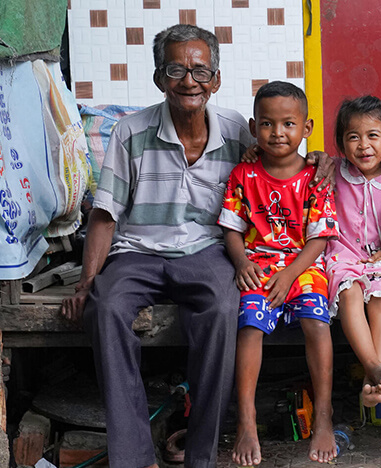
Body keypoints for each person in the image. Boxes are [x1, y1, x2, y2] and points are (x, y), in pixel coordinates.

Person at [57, 24, 253, 468]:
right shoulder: (131, 131)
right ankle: (135, 458)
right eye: (176, 70)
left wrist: (317, 160)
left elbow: (280, 164)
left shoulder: (237, 130)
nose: (189, 81)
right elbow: (106, 213)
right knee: (105, 308)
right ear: (159, 78)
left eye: (201, 71)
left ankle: (200, 457)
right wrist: (87, 283)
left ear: (216, 80)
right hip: (138, 251)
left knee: (223, 309)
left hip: (206, 250)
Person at [220, 81, 339, 466]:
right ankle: (247, 420)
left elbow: (319, 239)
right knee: (250, 326)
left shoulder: (315, 178)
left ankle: (324, 415)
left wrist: (289, 274)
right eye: (268, 124)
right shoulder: (243, 175)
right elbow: (232, 228)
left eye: (289, 123)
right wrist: (242, 262)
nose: (278, 132)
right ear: (254, 128)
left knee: (316, 322)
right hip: (258, 265)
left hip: (303, 265)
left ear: (307, 128)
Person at [324, 95, 381, 407]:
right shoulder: (333, 170)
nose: (364, 146)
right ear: (341, 143)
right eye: (353, 137)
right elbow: (299, 162)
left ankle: (372, 381)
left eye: (373, 135)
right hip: (341, 254)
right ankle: (373, 367)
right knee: (350, 292)